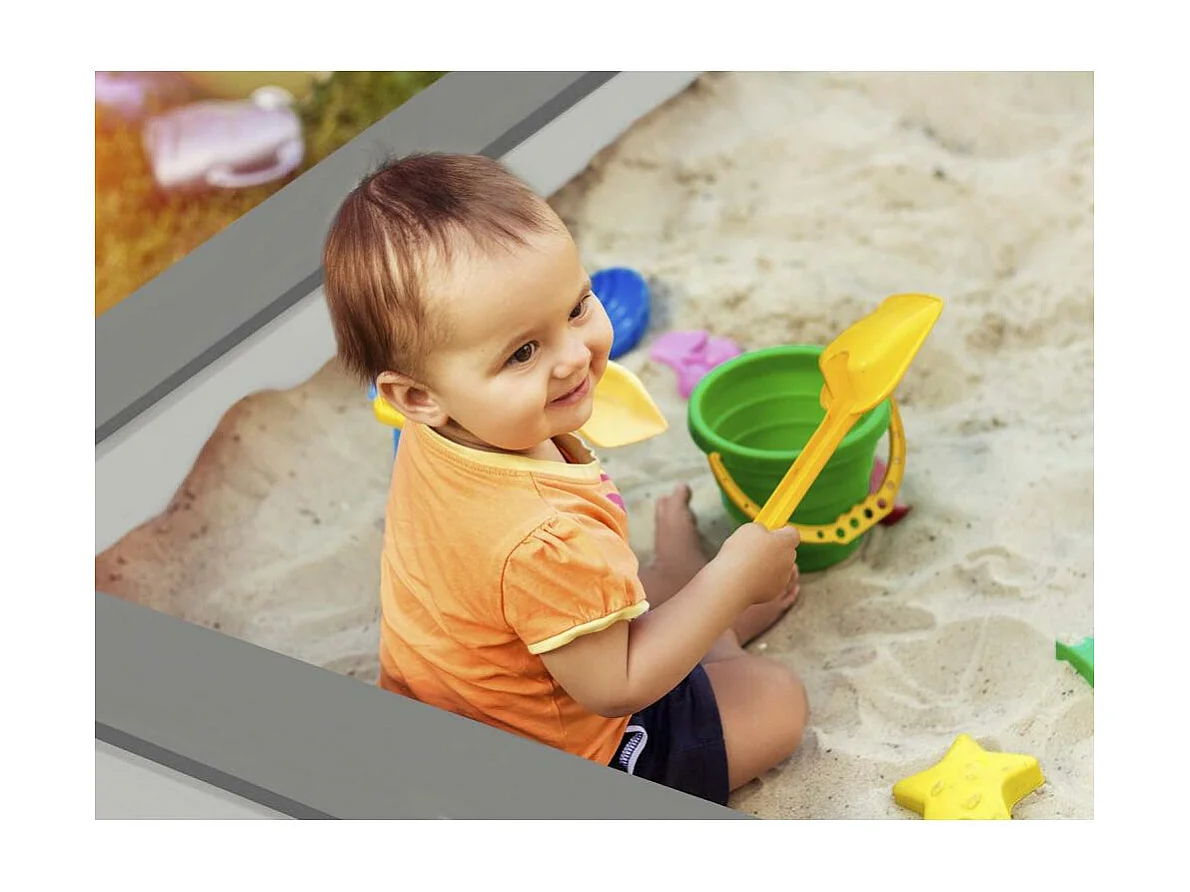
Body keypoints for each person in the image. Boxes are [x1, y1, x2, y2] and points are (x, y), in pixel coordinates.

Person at [321, 152, 808, 806]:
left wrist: (719, 589)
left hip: (470, 696)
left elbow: (559, 601)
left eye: (578, 307)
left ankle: (701, 611)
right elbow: (618, 683)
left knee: (650, 592)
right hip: (561, 768)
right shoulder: (540, 540)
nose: (576, 357)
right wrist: (735, 578)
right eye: (523, 352)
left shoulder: (443, 423)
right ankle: (715, 633)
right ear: (416, 396)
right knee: (778, 698)